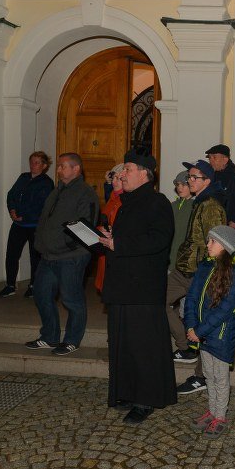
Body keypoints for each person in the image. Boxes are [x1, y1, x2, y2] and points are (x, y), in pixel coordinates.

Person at [98, 151, 177, 424]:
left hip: (143, 287)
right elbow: (131, 236)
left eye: (128, 169)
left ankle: (145, 399)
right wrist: (110, 237)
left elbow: (158, 240)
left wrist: (118, 243)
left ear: (145, 173)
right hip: (122, 285)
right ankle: (128, 392)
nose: (122, 174)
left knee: (143, 346)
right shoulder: (127, 202)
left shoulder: (157, 202)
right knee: (124, 344)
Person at [24, 153, 99, 356]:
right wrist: (40, 241)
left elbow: (86, 225)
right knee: (41, 294)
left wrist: (63, 245)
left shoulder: (85, 193)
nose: (58, 170)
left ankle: (72, 340)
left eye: (62, 166)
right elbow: (44, 219)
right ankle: (49, 336)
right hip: (48, 255)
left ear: (76, 169)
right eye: (58, 166)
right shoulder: (56, 191)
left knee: (71, 299)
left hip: (71, 256)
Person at [167, 159, 226, 395]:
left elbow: (216, 244)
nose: (189, 180)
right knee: (158, 300)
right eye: (189, 176)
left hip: (200, 272)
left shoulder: (210, 205)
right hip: (184, 269)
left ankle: (201, 376)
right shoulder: (199, 202)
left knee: (203, 320)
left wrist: (208, 273)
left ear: (207, 181)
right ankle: (185, 347)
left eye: (194, 177)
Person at [186, 225, 235, 438]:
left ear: (225, 246)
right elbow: (192, 297)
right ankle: (212, 411)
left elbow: (224, 309)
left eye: (213, 241)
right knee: (208, 374)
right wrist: (191, 325)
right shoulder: (205, 266)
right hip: (202, 334)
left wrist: (199, 330)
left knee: (220, 377)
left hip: (220, 336)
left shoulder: (234, 273)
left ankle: (220, 416)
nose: (208, 244)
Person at [0, 151, 55, 299]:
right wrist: (12, 210)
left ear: (44, 166)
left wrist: (25, 215)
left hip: (35, 225)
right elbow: (11, 194)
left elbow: (42, 205)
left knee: (35, 257)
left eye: (37, 163)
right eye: (31, 162)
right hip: (18, 224)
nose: (33, 165)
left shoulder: (47, 183)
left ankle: (33, 286)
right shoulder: (23, 177)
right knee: (12, 254)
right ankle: (10, 285)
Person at [95, 164, 124, 293]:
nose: (114, 182)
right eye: (113, 178)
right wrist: (99, 229)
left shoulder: (126, 200)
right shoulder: (113, 197)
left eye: (119, 178)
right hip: (106, 249)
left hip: (116, 250)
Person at [170, 170, 194, 270]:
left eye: (183, 185)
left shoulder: (195, 206)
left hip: (184, 257)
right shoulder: (173, 205)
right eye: (177, 185)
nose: (179, 188)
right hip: (170, 254)